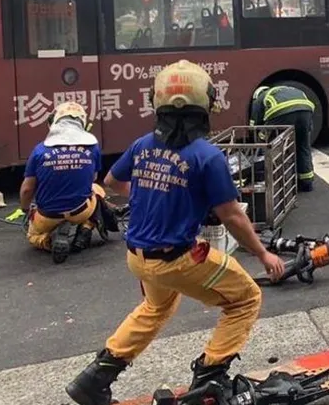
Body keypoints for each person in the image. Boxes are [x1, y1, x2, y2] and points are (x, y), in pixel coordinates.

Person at [66, 60, 284, 405]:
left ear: (157, 103)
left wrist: (154, 193)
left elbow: (111, 182)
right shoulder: (207, 157)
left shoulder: (142, 146)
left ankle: (95, 377)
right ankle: (210, 375)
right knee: (246, 298)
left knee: (156, 307)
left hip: (137, 256)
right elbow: (232, 216)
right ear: (206, 105)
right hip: (177, 259)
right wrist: (262, 253)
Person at [19, 102, 106, 263]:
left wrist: (26, 209)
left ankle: (49, 241)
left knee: (32, 235)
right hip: (81, 210)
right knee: (97, 190)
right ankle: (86, 227)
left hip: (47, 216)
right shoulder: (92, 147)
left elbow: (27, 189)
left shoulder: (39, 150)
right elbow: (92, 178)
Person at [250, 84, 316, 192]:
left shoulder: (260, 98)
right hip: (306, 110)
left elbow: (254, 125)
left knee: (265, 144)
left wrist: (256, 140)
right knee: (303, 145)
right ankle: (306, 182)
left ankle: (263, 178)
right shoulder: (287, 89)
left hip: (279, 112)